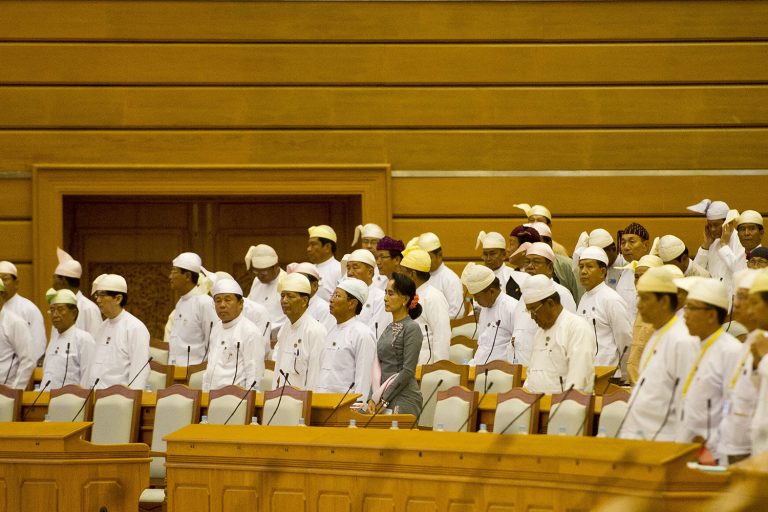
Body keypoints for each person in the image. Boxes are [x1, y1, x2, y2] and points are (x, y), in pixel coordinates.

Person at [618, 267, 698, 440]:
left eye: (645, 299)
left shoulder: (683, 340)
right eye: (639, 298)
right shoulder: (657, 333)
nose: (639, 305)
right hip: (643, 436)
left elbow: (689, 401)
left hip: (665, 440)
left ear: (663, 302)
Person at [674, 278, 742, 461]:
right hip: (685, 447)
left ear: (711, 315)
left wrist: (712, 447)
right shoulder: (693, 345)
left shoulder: (731, 351)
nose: (685, 314)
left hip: (712, 454)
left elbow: (733, 408)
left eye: (691, 308)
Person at [520, 274, 595, 394]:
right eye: (529, 311)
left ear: (550, 303)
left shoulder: (576, 327)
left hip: (564, 407)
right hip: (535, 407)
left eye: (533, 310)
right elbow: (532, 373)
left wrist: (563, 408)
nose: (532, 317)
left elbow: (579, 378)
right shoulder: (539, 333)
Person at [718, 269, 761, 464]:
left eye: (746, 298)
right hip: (733, 439)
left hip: (757, 449)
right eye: (737, 297)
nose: (737, 305)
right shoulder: (748, 342)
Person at [315, 277, 376, 401]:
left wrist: (356, 410)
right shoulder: (331, 330)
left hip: (344, 407)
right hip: (322, 403)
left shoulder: (362, 333)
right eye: (332, 295)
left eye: (337, 296)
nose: (331, 299)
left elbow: (363, 378)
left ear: (352, 303)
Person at [85, 274, 150, 390]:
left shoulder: (135, 328)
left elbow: (140, 371)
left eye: (102, 295)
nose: (98, 300)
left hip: (120, 401)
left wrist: (132, 402)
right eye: (97, 295)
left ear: (118, 298)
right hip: (95, 397)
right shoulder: (102, 327)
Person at [372, 272, 424, 416]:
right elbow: (379, 367)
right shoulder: (388, 327)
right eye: (385, 293)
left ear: (405, 299)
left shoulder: (412, 328)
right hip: (382, 398)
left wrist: (384, 399)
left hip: (404, 398)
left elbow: (408, 371)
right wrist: (373, 398)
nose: (385, 298)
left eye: (391, 294)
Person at [576, 247, 632, 376]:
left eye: (589, 267)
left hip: (608, 376)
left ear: (602, 272)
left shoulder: (612, 299)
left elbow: (625, 340)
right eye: (581, 267)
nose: (583, 271)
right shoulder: (584, 297)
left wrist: (624, 376)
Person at [201, 278, 265, 392]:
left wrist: (248, 403)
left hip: (236, 401)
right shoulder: (216, 329)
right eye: (218, 300)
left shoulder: (250, 331)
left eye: (227, 300)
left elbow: (254, 374)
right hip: (211, 399)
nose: (222, 305)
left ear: (240, 303)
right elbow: (210, 369)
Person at [272, 273, 327, 390]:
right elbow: (278, 368)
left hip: (302, 402)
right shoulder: (285, 328)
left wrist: (309, 405)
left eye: (290, 296)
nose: (284, 301)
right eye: (282, 296)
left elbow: (315, 376)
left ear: (304, 301)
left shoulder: (315, 331)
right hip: (280, 400)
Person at [398, 246, 450, 365]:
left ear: (412, 274)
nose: (399, 275)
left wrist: (439, 368)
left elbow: (442, 336)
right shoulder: (407, 296)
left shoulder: (433, 297)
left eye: (402, 271)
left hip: (426, 366)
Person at [460, 263, 517, 365]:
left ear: (491, 291)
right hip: (479, 366)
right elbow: (483, 345)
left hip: (500, 372)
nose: (476, 301)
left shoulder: (511, 307)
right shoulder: (485, 309)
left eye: (477, 297)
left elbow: (517, 348)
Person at [167, 252, 217, 366]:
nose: (170, 277)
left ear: (188, 276)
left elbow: (213, 343)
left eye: (174, 272)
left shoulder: (204, 302)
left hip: (195, 375)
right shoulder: (181, 302)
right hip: (175, 372)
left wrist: (200, 374)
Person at [689, 199, 746, 297]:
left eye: (716, 225)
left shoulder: (740, 241)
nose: (712, 229)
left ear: (728, 223)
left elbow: (740, 272)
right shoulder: (712, 243)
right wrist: (705, 246)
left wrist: (724, 245)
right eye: (710, 226)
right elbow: (696, 272)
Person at [41, 288, 95, 389]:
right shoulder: (53, 340)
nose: (55, 315)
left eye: (60, 309)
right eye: (52, 310)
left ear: (73, 313)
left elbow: (88, 377)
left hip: (73, 402)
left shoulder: (83, 338)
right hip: (46, 400)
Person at [0, 261, 46, 364]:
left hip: (20, 372)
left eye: (5, 279)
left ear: (16, 283)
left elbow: (38, 345)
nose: (1, 283)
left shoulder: (28, 309)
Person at [526, 222, 581, 303]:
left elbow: (579, 295)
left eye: (536, 242)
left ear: (549, 244)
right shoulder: (525, 265)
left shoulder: (567, 265)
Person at [51, 247, 101, 336]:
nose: (53, 285)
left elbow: (95, 344)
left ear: (63, 281)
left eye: (54, 279)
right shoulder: (56, 307)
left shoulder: (88, 309)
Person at [417, 232, 465, 319]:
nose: (424, 261)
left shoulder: (450, 279)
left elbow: (457, 313)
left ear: (439, 256)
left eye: (428, 257)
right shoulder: (418, 277)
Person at [345, 249, 390, 338]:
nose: (349, 273)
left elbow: (375, 333)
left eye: (355, 267)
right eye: (348, 268)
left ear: (370, 272)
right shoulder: (344, 296)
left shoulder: (381, 298)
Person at [0, 278, 35, 389]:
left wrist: (15, 392)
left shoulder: (15, 323)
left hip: (6, 392)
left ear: (2, 296)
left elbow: (28, 360)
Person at [246, 244, 287, 336]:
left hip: (278, 336)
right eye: (256, 272)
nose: (259, 275)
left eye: (263, 272)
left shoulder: (286, 281)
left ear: (276, 267)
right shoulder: (257, 281)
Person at [748, 269, 768, 456]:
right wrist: (756, 364)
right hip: (757, 446)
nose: (749, 310)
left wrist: (764, 358)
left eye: (754, 303)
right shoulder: (757, 337)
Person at [477, 230, 529, 300]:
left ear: (503, 255)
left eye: (492, 254)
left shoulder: (512, 276)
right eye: (485, 254)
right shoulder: (479, 276)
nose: (488, 258)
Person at [615, 223, 651, 319]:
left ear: (645, 245)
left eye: (632, 242)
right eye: (623, 243)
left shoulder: (653, 271)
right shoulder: (625, 271)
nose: (626, 247)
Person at [286, 262, 335, 333]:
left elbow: (325, 338)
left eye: (301, 282)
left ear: (314, 286)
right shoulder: (291, 304)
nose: (296, 285)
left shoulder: (325, 309)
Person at [307, 224, 341, 302]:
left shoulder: (339, 270)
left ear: (327, 247)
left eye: (313, 245)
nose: (308, 249)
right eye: (308, 245)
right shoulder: (309, 270)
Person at [351, 223, 388, 289]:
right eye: (365, 241)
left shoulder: (386, 266)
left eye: (374, 242)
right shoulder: (353, 265)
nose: (369, 246)